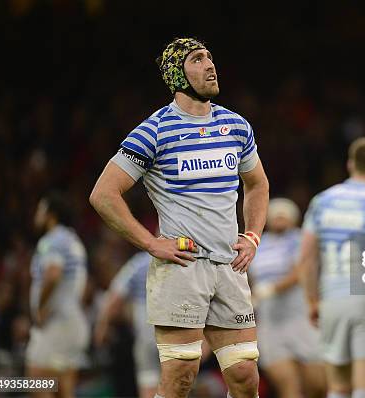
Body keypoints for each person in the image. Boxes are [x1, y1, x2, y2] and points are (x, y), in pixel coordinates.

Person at [89, 37, 269, 398]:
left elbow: (257, 184)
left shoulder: (236, 126)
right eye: (198, 59)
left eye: (210, 57)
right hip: (183, 267)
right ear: (177, 74)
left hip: (229, 267)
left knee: (246, 376)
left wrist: (251, 236)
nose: (210, 65)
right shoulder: (154, 131)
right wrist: (151, 243)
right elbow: (103, 194)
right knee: (181, 377)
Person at [300, 137, 365, 398]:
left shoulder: (321, 202)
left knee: (337, 387)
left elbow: (307, 258)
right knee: (364, 386)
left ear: (350, 164)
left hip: (332, 296)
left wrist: (312, 299)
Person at [248, 198, 326, 398]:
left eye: (284, 214)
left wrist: (272, 288)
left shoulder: (300, 239)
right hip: (271, 322)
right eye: (276, 214)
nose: (280, 218)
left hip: (301, 318)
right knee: (287, 388)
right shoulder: (259, 245)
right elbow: (251, 278)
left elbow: (301, 271)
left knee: (317, 385)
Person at [26, 192, 89, 398]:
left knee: (37, 377)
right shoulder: (74, 240)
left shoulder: (51, 240)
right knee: (63, 387)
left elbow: (53, 274)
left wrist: (39, 307)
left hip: (56, 322)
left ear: (50, 214)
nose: (37, 214)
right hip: (73, 321)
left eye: (40, 210)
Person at [94, 251, 159, 398]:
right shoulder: (188, 259)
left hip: (148, 339)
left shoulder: (141, 262)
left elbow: (115, 297)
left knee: (149, 388)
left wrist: (102, 326)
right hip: (178, 339)